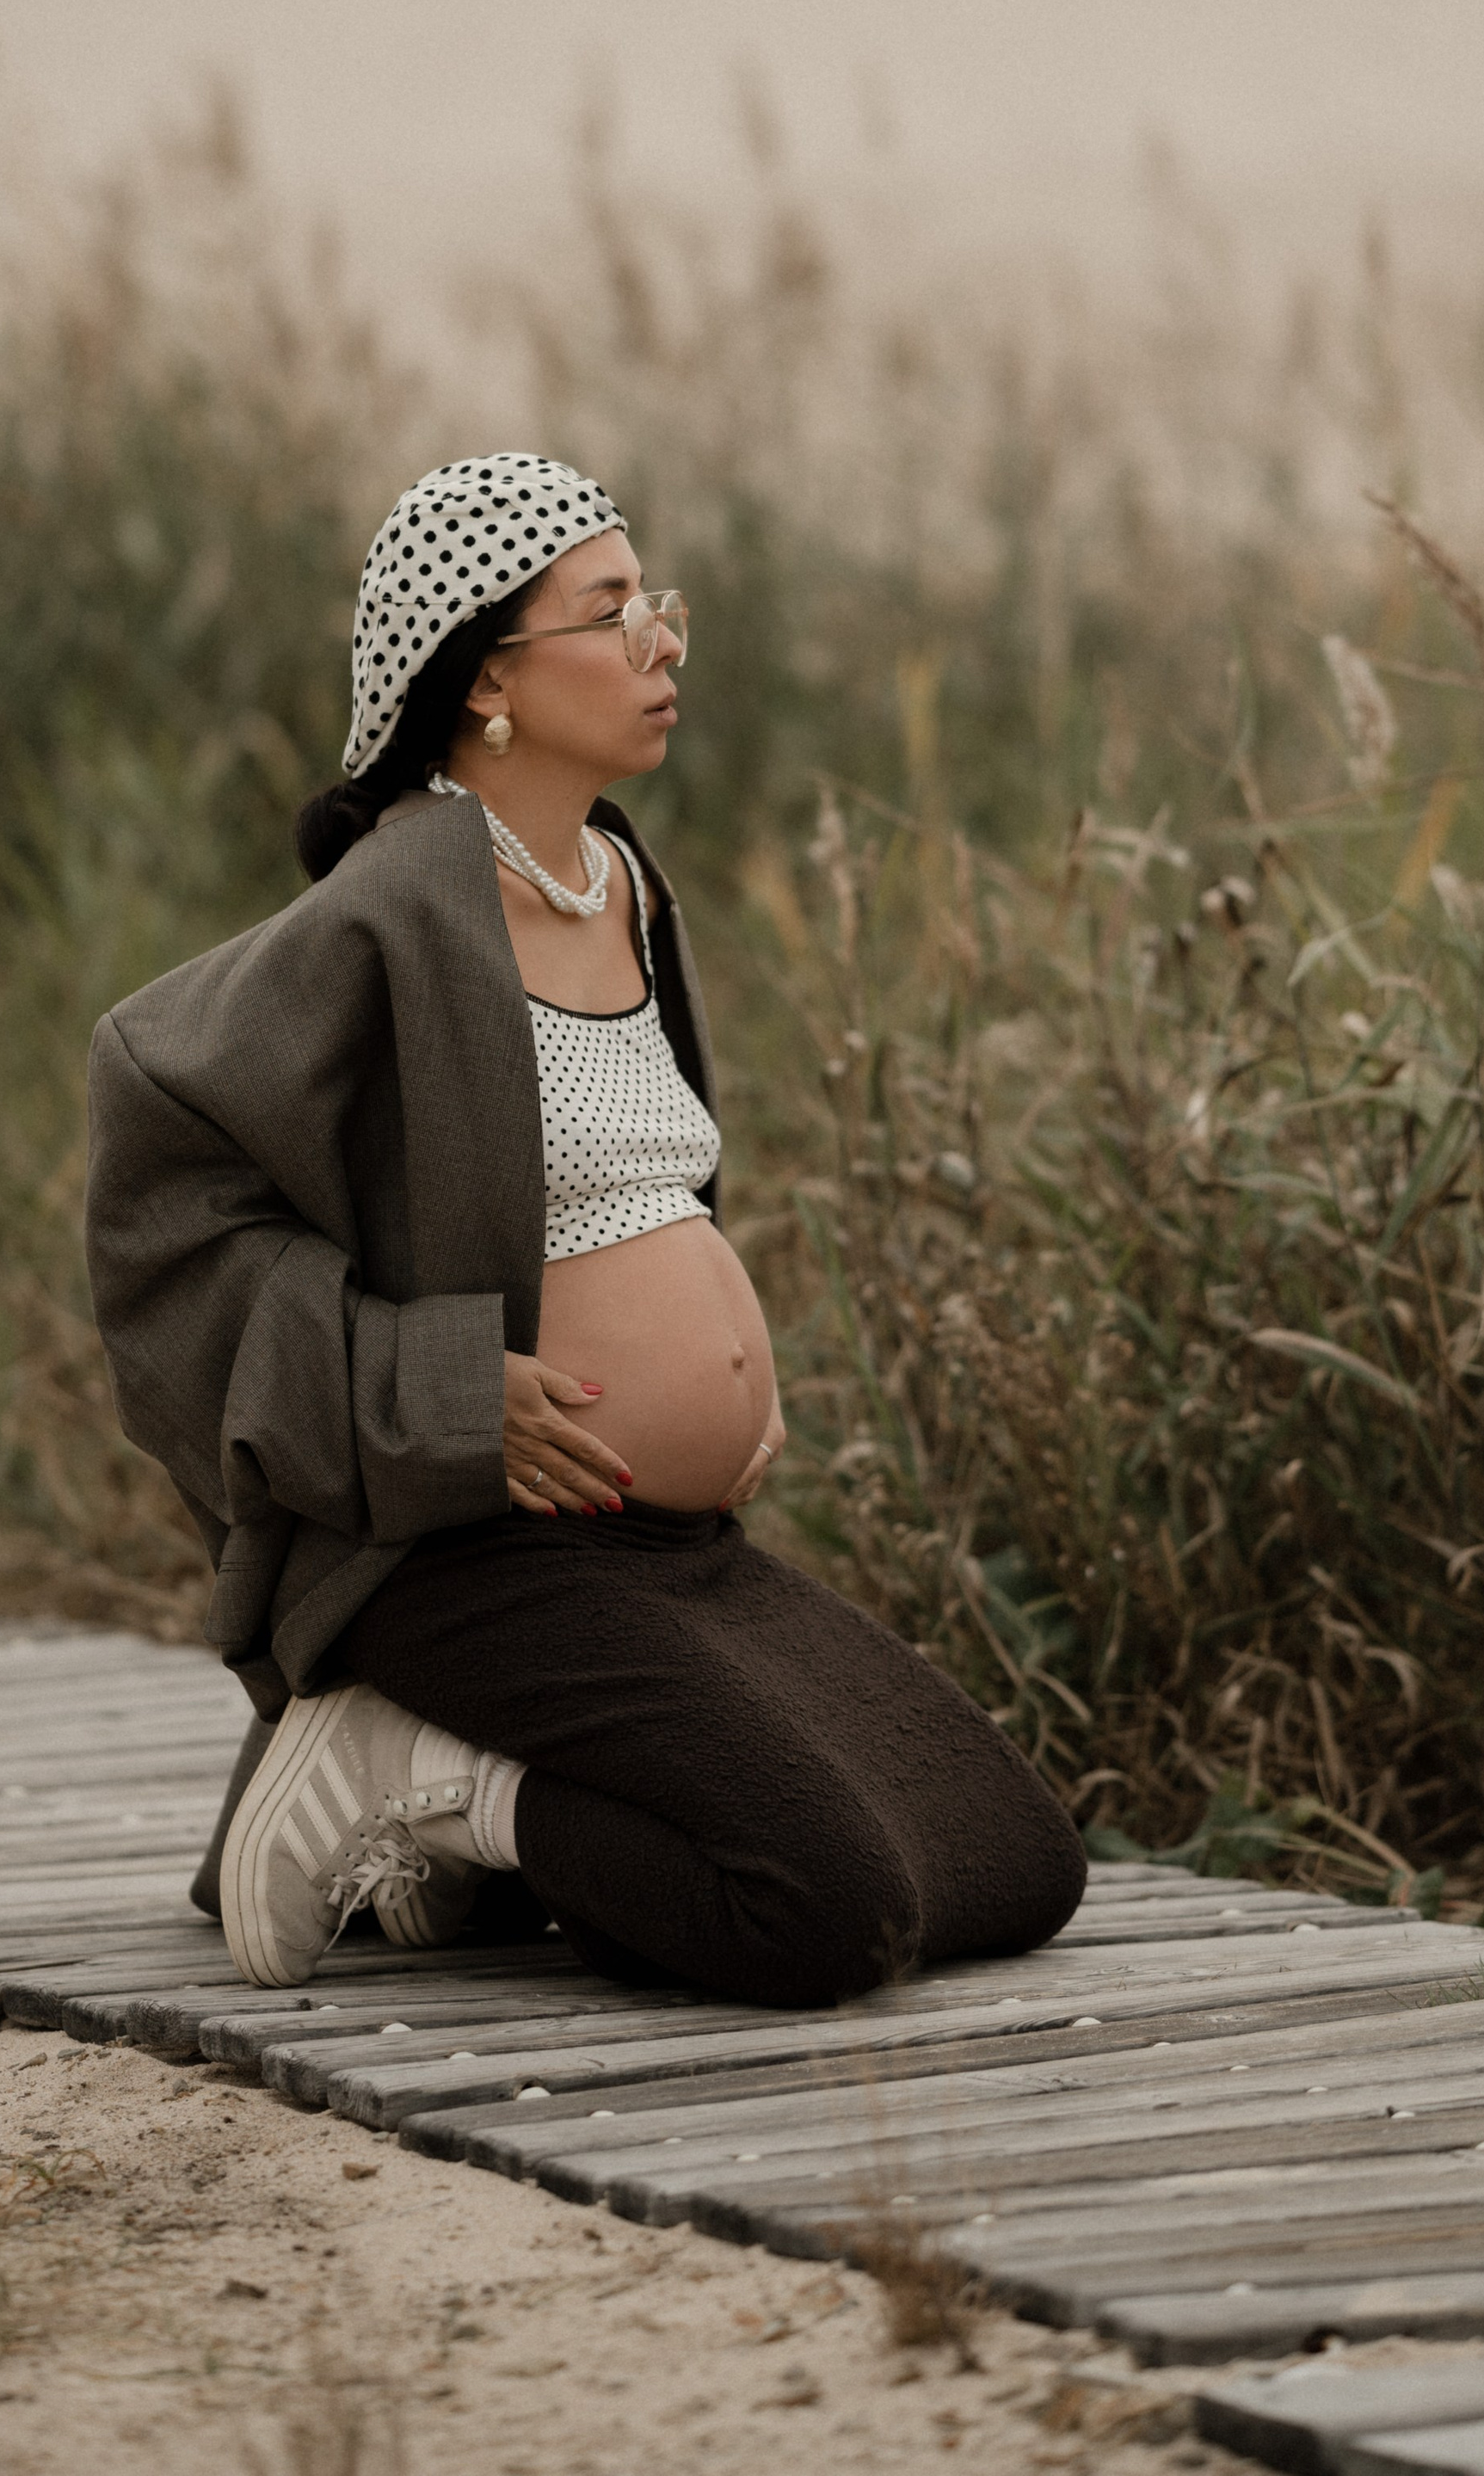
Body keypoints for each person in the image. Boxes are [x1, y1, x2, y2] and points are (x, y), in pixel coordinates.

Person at [84, 452, 1085, 2007]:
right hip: (479, 1553)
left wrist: (720, 1383)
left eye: (658, 603)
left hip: (662, 1542)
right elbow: (157, 1151)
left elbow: (633, 1201)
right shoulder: (395, 907)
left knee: (1017, 1861)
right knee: (821, 1903)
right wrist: (437, 1388)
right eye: (612, 611)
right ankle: (411, 1766)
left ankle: (464, 1828)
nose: (664, 640)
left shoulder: (618, 877)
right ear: (486, 674)